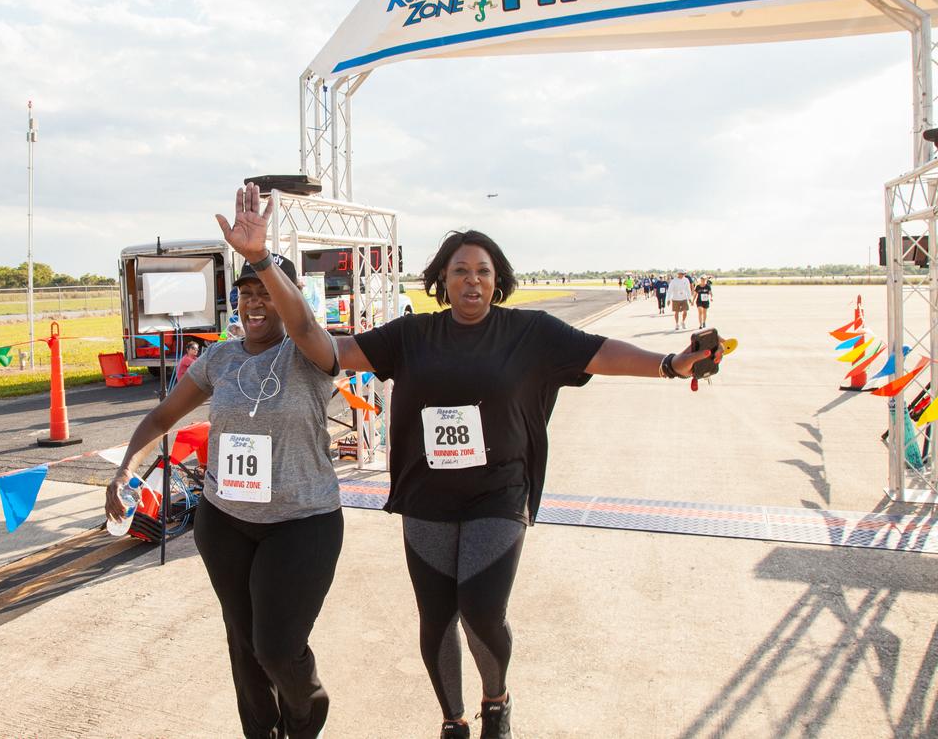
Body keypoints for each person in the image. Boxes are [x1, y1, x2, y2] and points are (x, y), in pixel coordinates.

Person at [244, 224, 720, 738]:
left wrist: (670, 364)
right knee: (436, 618)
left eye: (483, 272)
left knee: (481, 610)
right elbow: (322, 346)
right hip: (428, 495)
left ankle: (496, 701)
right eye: (460, 272)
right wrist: (264, 263)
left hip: (500, 491)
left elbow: (601, 353)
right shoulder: (411, 335)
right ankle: (453, 719)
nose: (472, 282)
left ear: (498, 281)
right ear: (441, 281)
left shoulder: (531, 332)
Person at [106, 185, 343, 739]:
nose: (256, 303)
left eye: (267, 292)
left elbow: (305, 326)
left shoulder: (309, 353)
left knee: (277, 647)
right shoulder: (220, 358)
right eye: (246, 294)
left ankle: (306, 712)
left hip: (301, 523)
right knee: (242, 643)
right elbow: (162, 418)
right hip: (226, 522)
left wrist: (259, 255)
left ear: (287, 297)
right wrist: (125, 470)